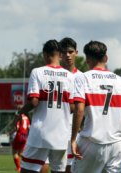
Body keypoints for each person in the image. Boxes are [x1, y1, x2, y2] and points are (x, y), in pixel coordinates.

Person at [71, 40, 121, 173]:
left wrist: (73, 139)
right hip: (116, 144)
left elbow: (79, 110)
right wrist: (119, 125)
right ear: (106, 58)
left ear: (88, 59)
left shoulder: (83, 78)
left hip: (91, 141)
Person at [17, 39, 74, 173]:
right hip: (61, 135)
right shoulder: (70, 76)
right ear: (60, 55)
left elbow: (34, 101)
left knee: (27, 169)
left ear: (45, 54)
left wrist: (20, 112)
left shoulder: (37, 72)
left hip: (40, 133)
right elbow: (72, 107)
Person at [40, 37, 82, 173]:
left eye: (70, 52)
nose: (67, 55)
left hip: (69, 129)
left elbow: (82, 106)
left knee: (66, 168)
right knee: (41, 165)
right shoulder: (48, 73)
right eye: (64, 52)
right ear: (59, 54)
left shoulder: (82, 77)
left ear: (76, 52)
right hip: (46, 127)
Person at [12, 107, 30, 172]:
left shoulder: (19, 117)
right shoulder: (27, 117)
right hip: (25, 136)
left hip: (19, 135)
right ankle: (29, 161)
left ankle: (18, 168)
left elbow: (16, 128)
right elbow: (29, 127)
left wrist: (11, 131)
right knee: (20, 153)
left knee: (14, 152)